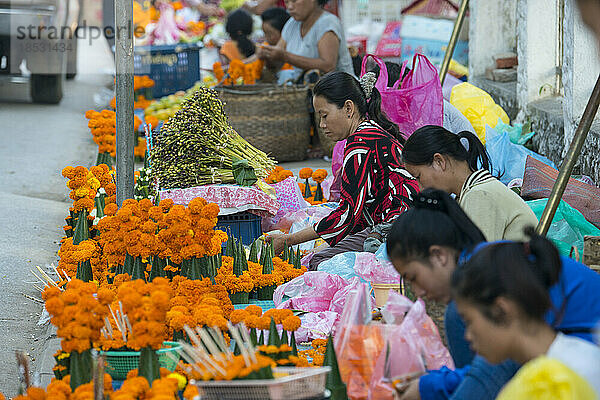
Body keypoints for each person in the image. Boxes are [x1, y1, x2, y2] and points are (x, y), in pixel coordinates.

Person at [385, 189, 600, 400]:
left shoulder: (485, 284)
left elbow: (484, 380)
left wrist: (430, 386)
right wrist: (430, 384)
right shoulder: (491, 263)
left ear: (438, 256)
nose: (419, 292)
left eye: (413, 277)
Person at [267, 71, 419, 270]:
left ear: (348, 108)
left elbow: (347, 214)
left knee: (319, 263)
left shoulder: (360, 144)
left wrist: (288, 240)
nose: (322, 125)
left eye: (325, 116)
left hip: (395, 227)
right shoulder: (371, 131)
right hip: (406, 220)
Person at [452, 231, 600, 398]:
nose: (468, 336)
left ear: (502, 310)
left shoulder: (570, 375)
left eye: (469, 321)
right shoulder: (573, 362)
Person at [402, 125, 538, 242]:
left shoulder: (479, 195)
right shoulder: (469, 193)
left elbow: (478, 261)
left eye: (418, 177)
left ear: (439, 161)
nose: (420, 188)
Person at [258, 0, 354, 82]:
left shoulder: (327, 23)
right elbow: (278, 57)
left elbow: (328, 66)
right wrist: (268, 56)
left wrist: (285, 56)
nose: (290, 7)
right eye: (286, 2)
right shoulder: (292, 24)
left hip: (339, 91)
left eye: (294, 1)